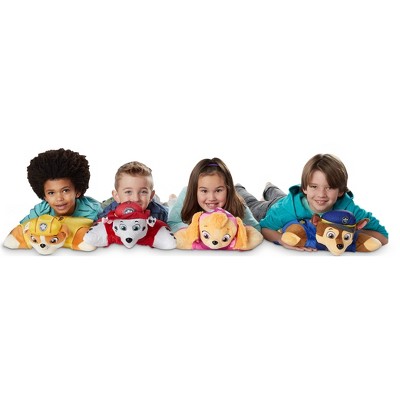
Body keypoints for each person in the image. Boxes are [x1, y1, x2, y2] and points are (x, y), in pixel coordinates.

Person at [235, 153, 388, 251]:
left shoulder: (349, 210)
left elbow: (383, 236)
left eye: (329, 187)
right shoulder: (287, 209)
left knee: (279, 194)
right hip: (273, 207)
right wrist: (281, 240)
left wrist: (349, 230)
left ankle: (270, 188)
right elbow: (264, 228)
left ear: (341, 191)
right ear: (305, 188)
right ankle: (239, 189)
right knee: (251, 204)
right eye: (314, 187)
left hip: (288, 199)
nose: (321, 194)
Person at [167, 157, 261, 234]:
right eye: (204, 191)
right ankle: (172, 199)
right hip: (180, 204)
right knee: (171, 206)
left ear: (228, 190)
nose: (211, 198)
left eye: (218, 190)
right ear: (194, 191)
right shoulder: (186, 194)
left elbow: (256, 228)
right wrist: (196, 230)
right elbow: (172, 222)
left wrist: (236, 229)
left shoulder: (237, 204)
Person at [20, 148, 102, 224]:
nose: (59, 198)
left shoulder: (92, 212)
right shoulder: (41, 211)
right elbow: (20, 229)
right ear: (44, 196)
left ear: (77, 192)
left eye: (65, 191)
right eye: (51, 193)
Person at [98, 161, 168, 222]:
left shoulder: (160, 214)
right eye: (128, 192)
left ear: (150, 196)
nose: (136, 199)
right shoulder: (108, 214)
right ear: (117, 196)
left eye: (143, 192)